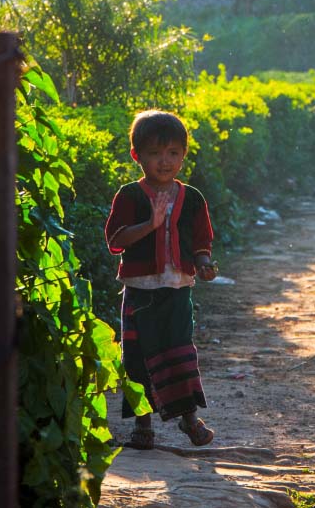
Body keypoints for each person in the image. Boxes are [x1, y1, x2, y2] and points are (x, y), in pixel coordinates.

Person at [105, 109, 218, 450]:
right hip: (141, 293)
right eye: (154, 153)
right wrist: (149, 226)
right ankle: (143, 426)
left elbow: (201, 241)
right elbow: (115, 241)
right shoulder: (129, 196)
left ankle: (188, 420)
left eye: (172, 153)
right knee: (137, 358)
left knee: (180, 354)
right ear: (136, 155)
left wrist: (204, 263)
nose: (164, 161)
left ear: (183, 155)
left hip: (178, 291)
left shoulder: (193, 198)